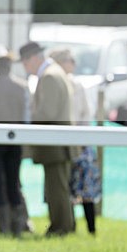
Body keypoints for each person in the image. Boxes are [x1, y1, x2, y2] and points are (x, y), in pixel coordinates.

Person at [19, 41, 76, 236]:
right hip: (59, 141)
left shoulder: (50, 76)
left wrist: (28, 117)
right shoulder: (54, 72)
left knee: (56, 188)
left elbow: (48, 112)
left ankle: (61, 227)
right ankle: (64, 225)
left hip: (55, 141)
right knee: (58, 186)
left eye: (25, 64)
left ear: (33, 58)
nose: (26, 69)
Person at [0, 44, 32, 236]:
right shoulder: (23, 87)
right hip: (15, 140)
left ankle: (3, 227)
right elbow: (26, 118)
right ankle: (17, 225)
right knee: (14, 182)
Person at [49, 48, 101, 235]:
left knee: (86, 190)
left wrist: (81, 138)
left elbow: (85, 115)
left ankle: (91, 229)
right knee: (67, 187)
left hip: (81, 143)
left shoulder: (77, 86)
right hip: (66, 143)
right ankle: (69, 226)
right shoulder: (57, 83)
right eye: (69, 60)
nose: (73, 63)